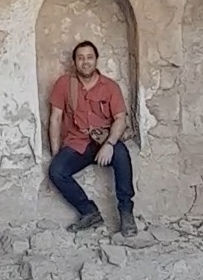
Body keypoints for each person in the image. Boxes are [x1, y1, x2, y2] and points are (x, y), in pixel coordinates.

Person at [47, 40, 137, 235]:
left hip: (104, 140)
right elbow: (55, 118)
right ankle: (89, 212)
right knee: (56, 171)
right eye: (80, 58)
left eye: (89, 57)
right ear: (74, 62)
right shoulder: (64, 84)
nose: (85, 62)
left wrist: (110, 144)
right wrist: (56, 153)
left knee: (122, 154)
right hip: (77, 143)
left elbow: (120, 119)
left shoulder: (110, 86)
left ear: (96, 60)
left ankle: (126, 213)